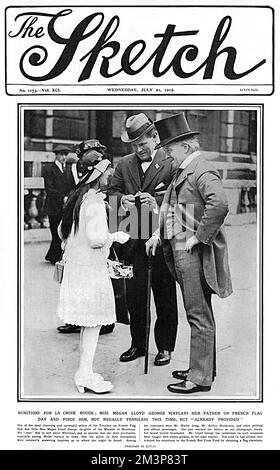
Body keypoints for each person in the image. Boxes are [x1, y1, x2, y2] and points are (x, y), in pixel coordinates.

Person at [146, 113, 233, 394]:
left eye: (170, 149)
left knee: (197, 314)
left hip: (191, 251)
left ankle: (199, 378)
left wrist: (198, 237)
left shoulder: (201, 170)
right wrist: (159, 235)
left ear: (185, 147)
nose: (167, 155)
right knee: (198, 312)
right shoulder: (185, 169)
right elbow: (172, 208)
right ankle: (204, 367)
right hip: (180, 249)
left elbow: (218, 204)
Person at [56, 146, 130, 394]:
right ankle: (84, 373)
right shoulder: (95, 202)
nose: (110, 173)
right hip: (90, 272)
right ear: (97, 173)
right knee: (93, 324)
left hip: (77, 269)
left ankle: (84, 371)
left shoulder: (78, 198)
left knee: (88, 324)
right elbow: (97, 239)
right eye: (107, 169)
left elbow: (61, 232)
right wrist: (116, 236)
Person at [108, 113, 178, 366]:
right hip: (132, 242)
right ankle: (138, 344)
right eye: (134, 145)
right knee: (135, 297)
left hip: (160, 242)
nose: (139, 150)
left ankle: (165, 347)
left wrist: (157, 203)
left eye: (143, 144)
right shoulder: (124, 164)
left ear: (155, 137)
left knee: (164, 296)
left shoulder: (170, 163)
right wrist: (121, 201)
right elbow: (112, 193)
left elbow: (180, 201)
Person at [56, 139, 115, 336]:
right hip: (88, 258)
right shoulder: (90, 196)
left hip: (78, 256)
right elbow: (96, 239)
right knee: (91, 309)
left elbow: (62, 230)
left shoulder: (80, 194)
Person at [43, 144, 72, 265]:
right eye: (61, 154)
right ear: (56, 155)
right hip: (53, 206)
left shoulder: (68, 170)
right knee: (55, 231)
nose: (64, 157)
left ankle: (54, 255)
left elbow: (70, 186)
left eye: (65, 154)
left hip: (64, 206)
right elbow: (49, 189)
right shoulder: (49, 169)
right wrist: (63, 198)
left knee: (62, 231)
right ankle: (55, 256)